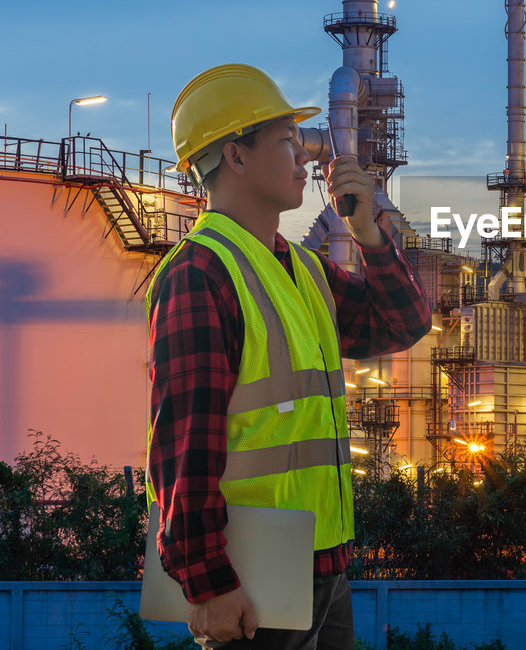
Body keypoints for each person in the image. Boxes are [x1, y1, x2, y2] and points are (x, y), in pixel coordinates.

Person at [144, 64, 432, 648]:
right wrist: (207, 584)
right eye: (286, 140)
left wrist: (369, 229)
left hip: (323, 563)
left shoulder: (302, 271)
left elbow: (402, 323)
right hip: (251, 576)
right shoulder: (201, 273)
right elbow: (184, 446)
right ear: (237, 157)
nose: (304, 155)